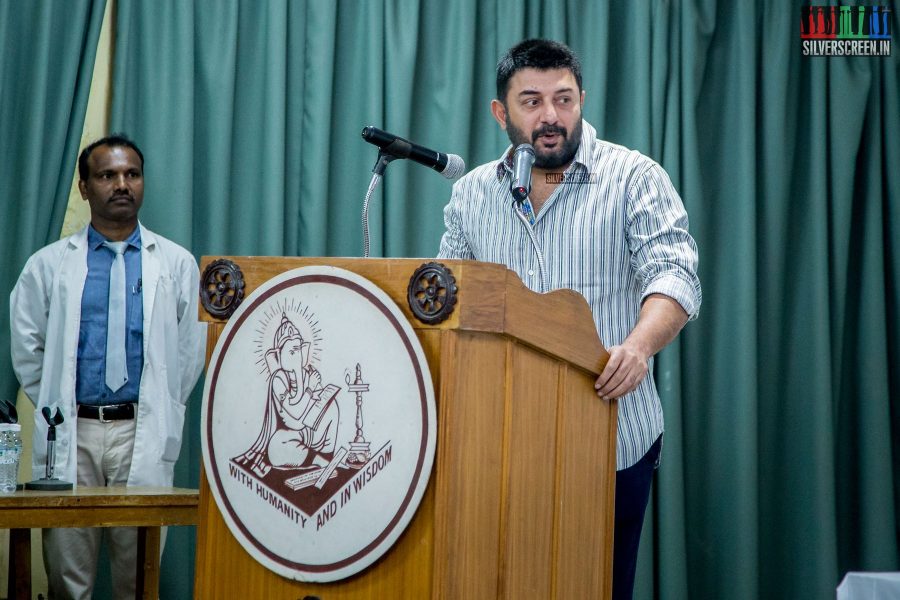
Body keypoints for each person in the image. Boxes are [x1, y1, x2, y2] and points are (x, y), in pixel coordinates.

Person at [437, 39, 701, 599]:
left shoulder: (634, 177)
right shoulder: (471, 197)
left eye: (564, 99)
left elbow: (675, 275)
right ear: (500, 112)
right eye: (531, 101)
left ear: (582, 100)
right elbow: (447, 299)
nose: (551, 116)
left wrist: (637, 348)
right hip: (500, 444)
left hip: (611, 438)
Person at [9, 134, 206, 599]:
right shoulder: (49, 265)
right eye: (107, 175)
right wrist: (58, 399)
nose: (122, 184)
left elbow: (189, 350)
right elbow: (27, 346)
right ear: (84, 187)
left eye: (132, 174)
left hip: (142, 424)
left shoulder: (176, 264)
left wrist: (162, 401)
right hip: (72, 428)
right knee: (67, 572)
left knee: (139, 575)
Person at [234, 312, 339, 477]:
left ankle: (326, 454)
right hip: (291, 435)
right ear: (280, 354)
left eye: (298, 350)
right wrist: (310, 389)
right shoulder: (278, 379)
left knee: (332, 406)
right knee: (276, 446)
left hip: (310, 433)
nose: (296, 356)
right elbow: (294, 418)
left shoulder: (307, 373)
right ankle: (315, 460)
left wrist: (320, 394)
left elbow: (316, 407)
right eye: (292, 352)